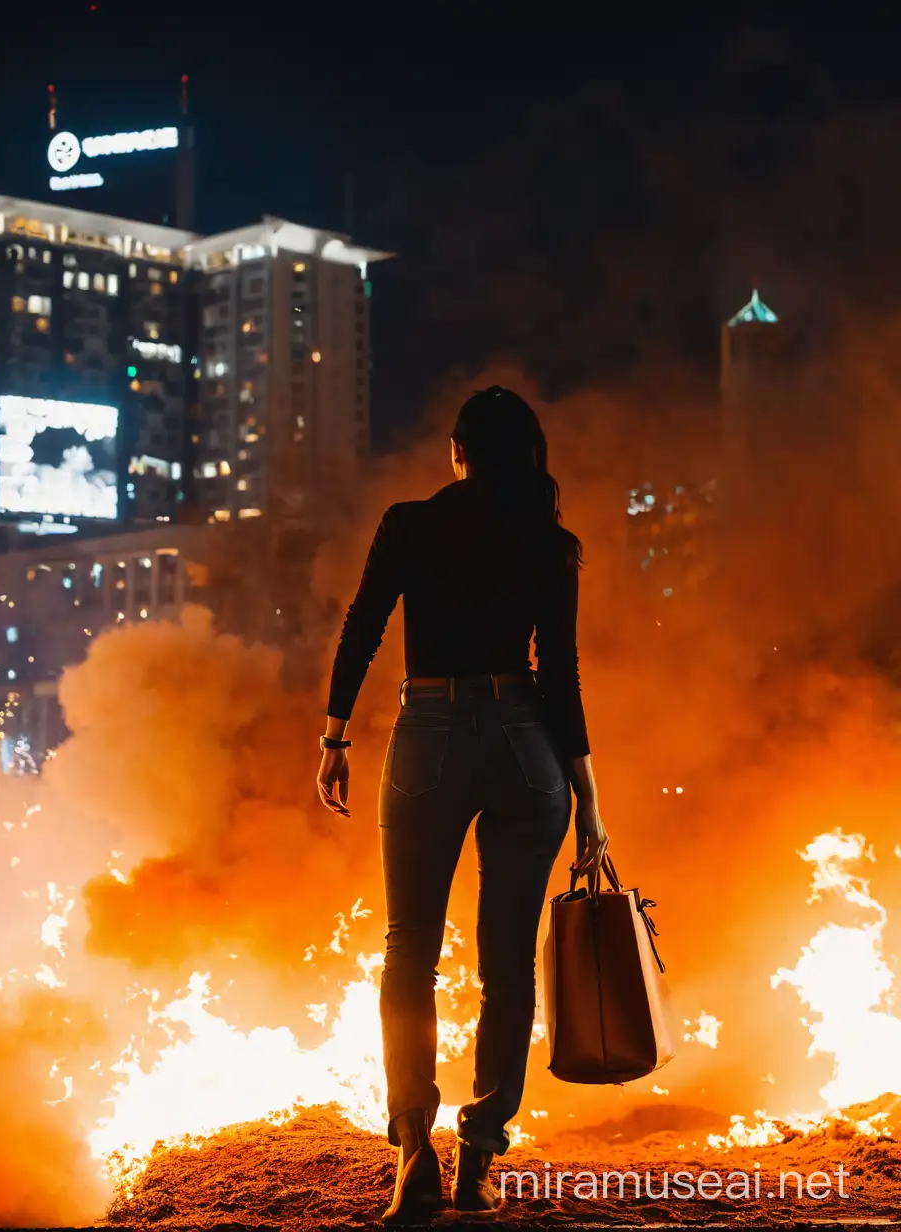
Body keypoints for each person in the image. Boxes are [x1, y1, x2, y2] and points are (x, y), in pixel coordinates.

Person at [317, 386, 609, 1224]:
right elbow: (561, 676)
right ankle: (481, 1154)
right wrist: (589, 799)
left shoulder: (409, 523)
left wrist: (335, 736)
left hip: (431, 734)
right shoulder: (552, 545)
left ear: (457, 452)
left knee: (410, 949)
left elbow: (363, 625)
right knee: (506, 965)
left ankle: (415, 1151)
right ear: (529, 459)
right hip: (527, 747)